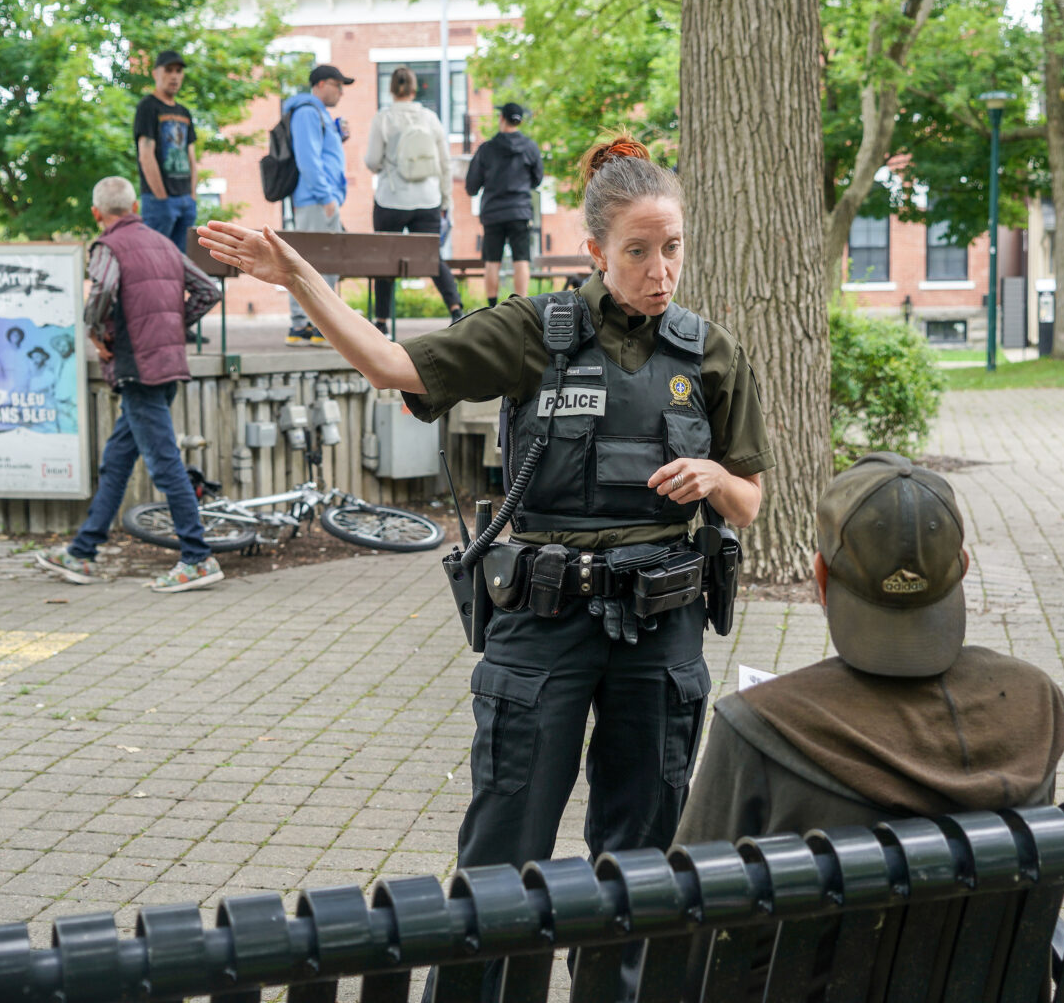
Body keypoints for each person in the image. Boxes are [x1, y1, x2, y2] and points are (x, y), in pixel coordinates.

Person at [198, 132, 775, 997]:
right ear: (595, 250)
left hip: (661, 631)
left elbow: (752, 499)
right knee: (504, 854)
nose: (661, 271)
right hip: (542, 626)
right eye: (639, 252)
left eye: (674, 248)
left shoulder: (711, 353)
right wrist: (301, 282)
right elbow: (393, 364)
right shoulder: (534, 332)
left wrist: (717, 478)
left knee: (641, 860)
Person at [674, 452, 1064, 845]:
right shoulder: (1036, 702)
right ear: (963, 567)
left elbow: (690, 894)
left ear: (821, 576)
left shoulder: (757, 727)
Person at [36, 176, 223, 593]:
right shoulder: (162, 243)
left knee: (164, 464)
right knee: (118, 460)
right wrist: (173, 326)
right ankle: (82, 553)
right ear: (135, 204)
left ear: (96, 213)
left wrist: (96, 333)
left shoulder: (109, 246)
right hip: (167, 362)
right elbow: (207, 291)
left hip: (137, 366)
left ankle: (197, 557)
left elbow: (102, 288)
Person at [364, 65, 463, 333]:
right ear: (414, 88)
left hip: (391, 199)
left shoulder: (383, 118)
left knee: (386, 258)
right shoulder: (430, 119)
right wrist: (445, 202)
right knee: (432, 256)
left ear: (391, 89)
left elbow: (372, 162)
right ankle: (456, 308)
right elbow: (444, 163)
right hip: (427, 199)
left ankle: (382, 321)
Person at [283, 64, 354, 347]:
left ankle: (312, 324)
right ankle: (307, 325)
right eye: (338, 85)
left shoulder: (318, 115)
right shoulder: (307, 113)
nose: (341, 92)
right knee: (316, 263)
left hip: (319, 200)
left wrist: (338, 135)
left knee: (322, 262)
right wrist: (326, 198)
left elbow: (321, 155)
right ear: (322, 84)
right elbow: (308, 160)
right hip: (316, 201)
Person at [465, 101, 543, 305]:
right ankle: (522, 307)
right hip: (520, 212)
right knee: (521, 260)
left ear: (501, 119)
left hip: (493, 213)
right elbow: (538, 179)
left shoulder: (487, 149)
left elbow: (471, 186)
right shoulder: (530, 148)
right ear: (520, 121)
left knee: (492, 261)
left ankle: (491, 307)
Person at [134, 49, 198, 253]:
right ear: (155, 73)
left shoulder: (184, 112)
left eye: (179, 71)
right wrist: (161, 197)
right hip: (159, 201)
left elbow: (191, 157)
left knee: (182, 264)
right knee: (155, 260)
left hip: (185, 200)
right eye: (169, 70)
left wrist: (192, 196)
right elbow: (146, 155)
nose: (174, 76)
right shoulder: (148, 107)